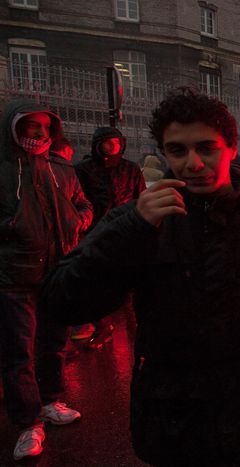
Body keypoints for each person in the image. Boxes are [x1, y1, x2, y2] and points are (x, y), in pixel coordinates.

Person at [41, 87, 240, 465]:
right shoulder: (141, 219)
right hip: (173, 419)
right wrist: (132, 228)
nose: (193, 163)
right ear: (164, 153)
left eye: (206, 148)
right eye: (178, 151)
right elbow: (62, 300)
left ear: (230, 148)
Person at [0, 100, 93, 460]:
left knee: (53, 344)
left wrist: (79, 220)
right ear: (14, 128)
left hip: (57, 271)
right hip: (15, 276)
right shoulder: (4, 170)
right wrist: (13, 227)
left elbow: (82, 203)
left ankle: (51, 400)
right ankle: (28, 422)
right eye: (30, 126)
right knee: (18, 352)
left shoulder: (61, 168)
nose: (38, 133)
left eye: (43, 128)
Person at [74, 126, 147, 349]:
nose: (113, 147)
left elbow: (141, 198)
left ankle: (140, 335)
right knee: (99, 283)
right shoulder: (83, 170)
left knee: (133, 285)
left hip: (128, 233)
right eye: (108, 142)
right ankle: (103, 327)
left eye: (116, 142)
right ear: (98, 144)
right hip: (97, 233)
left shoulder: (131, 169)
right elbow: (79, 200)